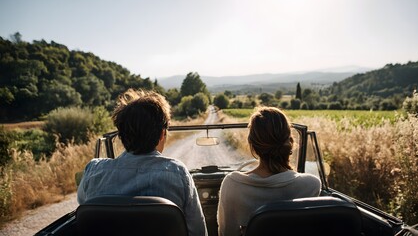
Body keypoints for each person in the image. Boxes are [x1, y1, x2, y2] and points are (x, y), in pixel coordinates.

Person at [77, 88, 208, 236]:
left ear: (121, 136)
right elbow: (198, 232)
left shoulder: (93, 170)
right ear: (162, 134)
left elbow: (84, 214)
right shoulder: (177, 172)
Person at [217, 106, 321, 236]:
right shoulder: (311, 185)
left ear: (253, 145)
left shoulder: (232, 185)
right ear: (290, 141)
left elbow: (227, 233)